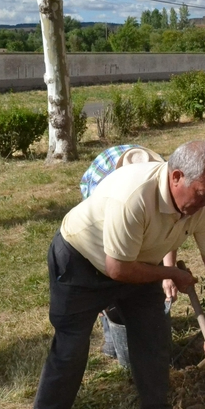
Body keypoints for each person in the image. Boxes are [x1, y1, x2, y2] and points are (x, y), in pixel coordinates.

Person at [30, 141, 205, 409]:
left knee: (153, 337)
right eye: (203, 194)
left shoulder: (203, 204)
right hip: (82, 260)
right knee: (71, 348)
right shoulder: (134, 195)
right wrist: (169, 272)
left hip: (140, 262)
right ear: (177, 177)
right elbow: (118, 270)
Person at [79, 145, 170, 361]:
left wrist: (167, 273)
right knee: (112, 267)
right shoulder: (107, 188)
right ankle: (111, 334)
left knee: (142, 260)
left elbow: (169, 232)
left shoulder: (162, 179)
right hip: (98, 213)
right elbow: (103, 250)